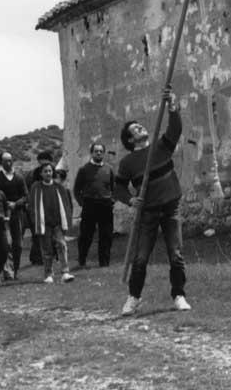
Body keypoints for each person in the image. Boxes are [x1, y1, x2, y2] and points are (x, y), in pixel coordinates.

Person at [115, 88, 191, 316]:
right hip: (147, 212)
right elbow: (118, 187)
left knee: (176, 254)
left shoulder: (161, 146)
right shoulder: (128, 162)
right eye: (136, 129)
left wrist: (172, 107)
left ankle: (179, 296)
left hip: (171, 207)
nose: (141, 128)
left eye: (140, 126)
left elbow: (176, 129)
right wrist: (130, 200)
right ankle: (133, 298)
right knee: (140, 258)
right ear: (130, 139)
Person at [29, 162, 75, 284]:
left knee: (62, 245)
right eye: (45, 171)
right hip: (44, 223)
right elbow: (33, 206)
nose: (48, 173)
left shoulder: (59, 187)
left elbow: (65, 205)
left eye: (50, 171)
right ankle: (48, 273)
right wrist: (35, 221)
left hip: (57, 223)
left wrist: (66, 221)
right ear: (41, 173)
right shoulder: (36, 187)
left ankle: (65, 272)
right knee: (46, 249)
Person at [73, 142, 115, 268]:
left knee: (106, 235)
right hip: (89, 204)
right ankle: (82, 260)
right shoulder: (84, 169)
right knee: (86, 235)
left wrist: (112, 200)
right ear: (91, 153)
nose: (98, 153)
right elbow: (76, 189)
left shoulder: (109, 169)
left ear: (103, 153)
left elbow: (114, 187)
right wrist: (82, 203)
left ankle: (104, 263)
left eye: (101, 151)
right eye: (96, 151)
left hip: (105, 205)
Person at [0, 151, 28, 281]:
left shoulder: (19, 178)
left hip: (17, 214)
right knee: (6, 244)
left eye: (10, 160)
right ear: (1, 163)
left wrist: (16, 204)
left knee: (18, 245)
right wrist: (3, 204)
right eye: (5, 161)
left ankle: (16, 270)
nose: (8, 163)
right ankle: (7, 271)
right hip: (3, 216)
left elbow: (26, 196)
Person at [25, 151, 54, 266]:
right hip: (36, 207)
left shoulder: (49, 173)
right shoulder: (33, 175)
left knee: (43, 234)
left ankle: (39, 257)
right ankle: (37, 258)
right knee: (38, 234)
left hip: (46, 207)